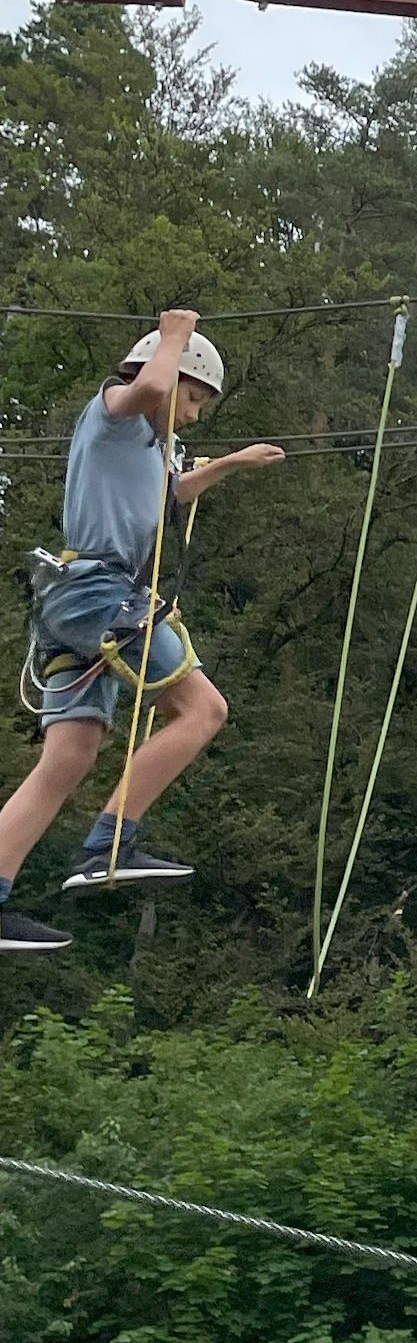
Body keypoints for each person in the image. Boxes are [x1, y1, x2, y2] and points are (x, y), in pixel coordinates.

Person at [0, 311, 284, 955]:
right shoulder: (114, 413)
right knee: (204, 710)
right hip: (99, 592)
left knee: (69, 756)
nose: (192, 415)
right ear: (169, 372)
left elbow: (169, 496)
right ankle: (110, 843)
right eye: (194, 397)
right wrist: (176, 332)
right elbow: (151, 391)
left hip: (79, 604)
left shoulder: (149, 448)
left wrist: (230, 464)